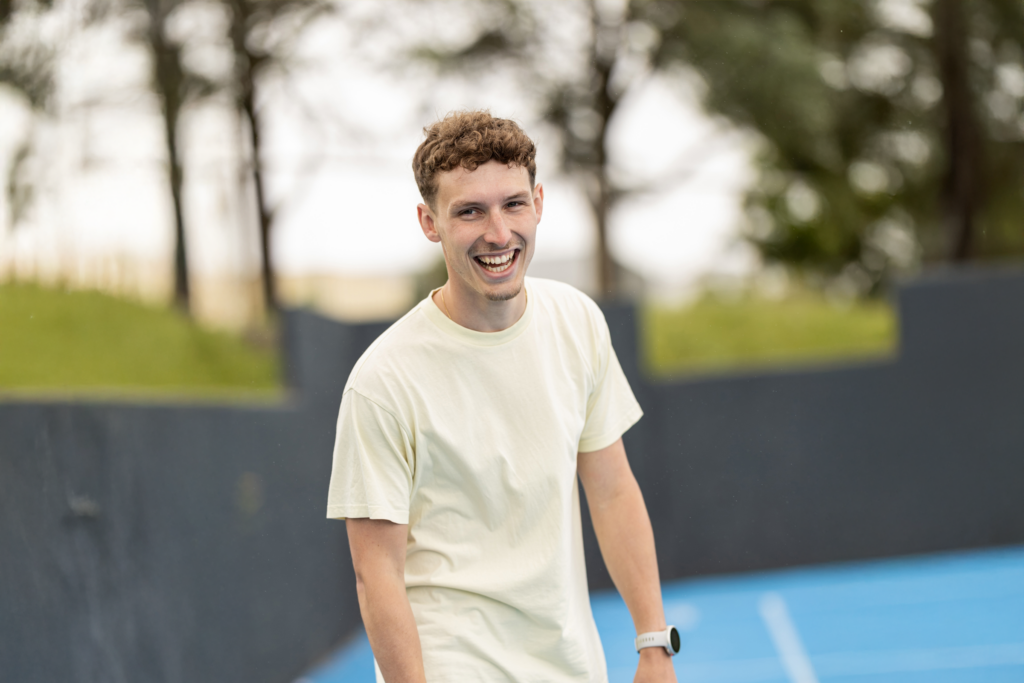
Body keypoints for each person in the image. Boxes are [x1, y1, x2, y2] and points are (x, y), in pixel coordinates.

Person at [327, 110, 678, 683]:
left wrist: (654, 644)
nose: (497, 233)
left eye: (513, 204)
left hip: (571, 666)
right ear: (430, 222)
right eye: (469, 211)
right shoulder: (382, 381)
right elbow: (376, 573)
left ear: (538, 203)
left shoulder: (578, 322)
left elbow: (613, 490)